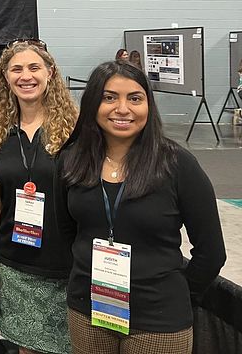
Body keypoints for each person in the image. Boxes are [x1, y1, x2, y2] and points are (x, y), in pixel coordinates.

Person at [62, 61, 226, 354]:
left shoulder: (177, 165)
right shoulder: (72, 161)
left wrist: (174, 295)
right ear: (92, 104)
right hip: (88, 312)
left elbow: (211, 252)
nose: (122, 109)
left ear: (148, 105)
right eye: (109, 97)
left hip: (157, 321)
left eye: (135, 98)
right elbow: (65, 234)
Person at [0, 40, 78, 354]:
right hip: (13, 266)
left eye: (34, 67)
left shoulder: (75, 133)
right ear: (6, 78)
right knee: (26, 350)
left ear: (50, 72)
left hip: (66, 267)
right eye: (16, 69)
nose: (26, 76)